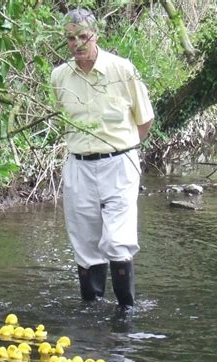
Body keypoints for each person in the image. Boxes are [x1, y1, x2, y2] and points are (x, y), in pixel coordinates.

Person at [51, 8, 154, 308]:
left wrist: (125, 150)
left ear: (96, 36)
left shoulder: (123, 70)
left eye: (83, 36)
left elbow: (144, 120)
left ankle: (126, 313)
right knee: (85, 242)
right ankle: (91, 312)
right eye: (71, 38)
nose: (77, 44)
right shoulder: (59, 76)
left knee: (118, 240)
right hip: (79, 165)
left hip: (120, 162)